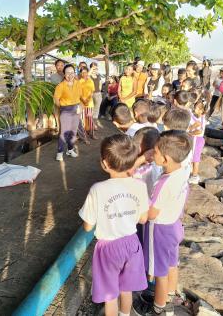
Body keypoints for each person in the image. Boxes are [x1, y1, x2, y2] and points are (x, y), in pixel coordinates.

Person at [79, 134, 149, 316]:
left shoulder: (97, 189)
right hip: (132, 244)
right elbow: (143, 219)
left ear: (104, 163)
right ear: (133, 160)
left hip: (107, 248)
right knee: (127, 289)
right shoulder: (140, 186)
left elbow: (87, 226)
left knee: (110, 295)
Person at [133, 130, 191, 316]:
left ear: (165, 159)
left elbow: (151, 214)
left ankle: (159, 308)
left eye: (155, 151)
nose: (152, 153)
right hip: (174, 225)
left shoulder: (163, 183)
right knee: (172, 264)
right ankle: (171, 295)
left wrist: (140, 161)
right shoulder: (183, 170)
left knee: (160, 272)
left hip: (158, 230)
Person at [54, 64, 82, 161]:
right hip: (65, 110)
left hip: (76, 109)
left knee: (73, 132)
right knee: (64, 132)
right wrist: (63, 107)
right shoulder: (60, 86)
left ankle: (70, 150)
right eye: (68, 73)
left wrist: (79, 107)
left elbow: (79, 97)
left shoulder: (78, 83)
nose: (70, 75)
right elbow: (56, 100)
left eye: (72, 72)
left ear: (74, 73)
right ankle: (60, 152)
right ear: (64, 74)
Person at [188, 97, 208, 184]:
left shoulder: (199, 119)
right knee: (193, 157)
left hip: (197, 139)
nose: (194, 109)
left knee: (195, 158)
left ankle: (195, 176)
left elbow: (199, 131)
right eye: (195, 107)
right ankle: (192, 173)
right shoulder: (201, 117)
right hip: (198, 139)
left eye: (196, 108)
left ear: (201, 110)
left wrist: (190, 133)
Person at [79, 67, 97, 139]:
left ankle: (92, 134)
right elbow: (79, 93)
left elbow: (92, 91)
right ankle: (84, 136)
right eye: (82, 72)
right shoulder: (79, 82)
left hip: (89, 103)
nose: (84, 74)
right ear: (80, 74)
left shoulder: (90, 81)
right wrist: (84, 101)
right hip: (82, 104)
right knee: (83, 121)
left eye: (85, 72)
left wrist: (88, 100)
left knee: (90, 119)